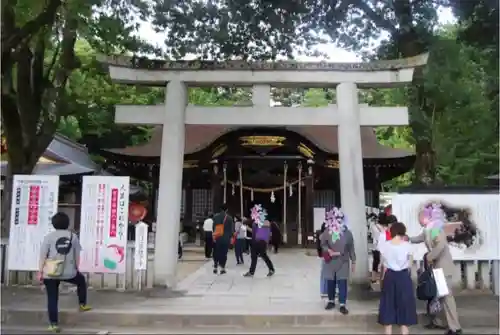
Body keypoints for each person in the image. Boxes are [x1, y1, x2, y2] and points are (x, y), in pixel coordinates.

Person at [409, 203, 462, 335]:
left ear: (424, 217)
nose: (418, 220)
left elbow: (441, 245)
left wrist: (430, 257)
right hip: (438, 268)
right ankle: (448, 324)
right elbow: (418, 239)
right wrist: (407, 238)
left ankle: (455, 327)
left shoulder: (435, 229)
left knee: (447, 297)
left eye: (419, 218)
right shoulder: (428, 229)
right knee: (442, 297)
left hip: (443, 267)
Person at [38, 212, 91, 333]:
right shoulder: (73, 237)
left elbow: (42, 256)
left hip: (50, 273)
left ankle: (53, 324)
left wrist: (40, 272)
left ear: (54, 224)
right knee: (81, 281)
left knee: (52, 298)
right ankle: (82, 304)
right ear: (67, 224)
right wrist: (77, 269)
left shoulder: (49, 237)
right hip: (69, 272)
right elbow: (77, 256)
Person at [378, 221, 417, 335]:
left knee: (388, 307)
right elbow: (410, 264)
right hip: (403, 276)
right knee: (404, 307)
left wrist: (381, 279)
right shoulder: (407, 246)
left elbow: (383, 264)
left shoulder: (385, 245)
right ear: (403, 232)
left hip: (389, 276)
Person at [320, 207, 355, 314]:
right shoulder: (327, 232)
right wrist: (328, 250)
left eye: (339, 219)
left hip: (343, 260)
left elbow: (351, 248)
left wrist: (353, 261)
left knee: (342, 281)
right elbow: (322, 244)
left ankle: (342, 304)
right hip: (330, 260)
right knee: (330, 281)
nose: (337, 221)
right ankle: (331, 301)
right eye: (335, 218)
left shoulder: (347, 233)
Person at [212, 204, 234, 275]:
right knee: (224, 253)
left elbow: (213, 227)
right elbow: (231, 230)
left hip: (217, 237)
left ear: (220, 209)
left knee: (216, 252)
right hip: (226, 238)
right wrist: (231, 237)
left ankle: (215, 266)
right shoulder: (230, 218)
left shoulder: (215, 217)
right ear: (227, 210)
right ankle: (222, 268)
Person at [317, 221, 328, 298]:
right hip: (327, 256)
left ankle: (324, 290)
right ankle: (324, 290)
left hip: (325, 256)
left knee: (324, 274)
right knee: (325, 274)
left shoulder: (321, 235)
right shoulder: (324, 236)